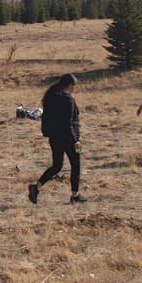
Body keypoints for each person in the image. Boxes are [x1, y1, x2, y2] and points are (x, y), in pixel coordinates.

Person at [29, 74, 85, 204]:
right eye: (74, 86)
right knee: (76, 164)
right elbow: (68, 123)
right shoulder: (68, 100)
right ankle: (75, 195)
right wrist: (76, 141)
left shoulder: (51, 97)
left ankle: (36, 187)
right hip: (71, 138)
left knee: (57, 166)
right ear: (70, 86)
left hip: (55, 138)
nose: (74, 89)